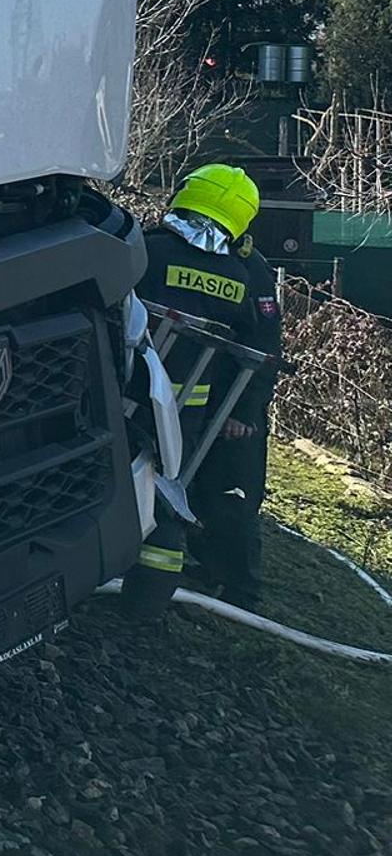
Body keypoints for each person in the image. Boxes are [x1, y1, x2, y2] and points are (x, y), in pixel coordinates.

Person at [135, 163, 281, 608]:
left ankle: (234, 584)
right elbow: (259, 340)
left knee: (211, 490)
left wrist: (244, 409)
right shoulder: (239, 273)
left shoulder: (146, 247)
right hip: (197, 407)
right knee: (175, 487)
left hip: (128, 391)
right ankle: (154, 593)